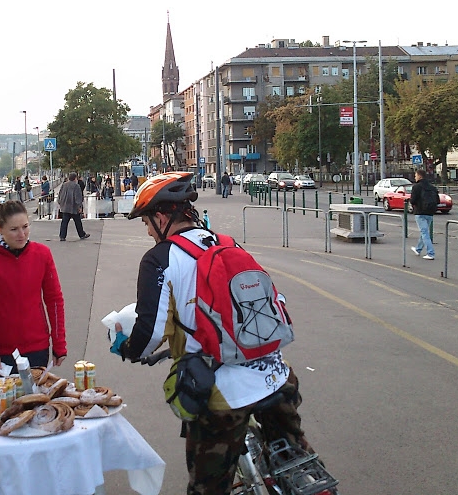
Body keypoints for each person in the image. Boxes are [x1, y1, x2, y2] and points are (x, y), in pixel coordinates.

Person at [110, 172, 312, 495]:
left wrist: (127, 348)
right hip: (277, 378)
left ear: (162, 217)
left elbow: (148, 334)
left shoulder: (159, 259)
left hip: (222, 398)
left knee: (208, 488)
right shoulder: (227, 243)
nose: (148, 231)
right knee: (295, 464)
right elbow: (275, 301)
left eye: (147, 222)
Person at [0, 200, 67, 369]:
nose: (21, 234)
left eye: (25, 227)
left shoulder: (42, 254)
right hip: (1, 350)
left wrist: (59, 343)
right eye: (14, 229)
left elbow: (54, 300)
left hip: (38, 346)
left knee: (36, 395)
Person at [410, 169, 438, 260]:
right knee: (424, 231)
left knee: (424, 232)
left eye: (416, 175)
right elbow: (437, 200)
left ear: (420, 176)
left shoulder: (416, 187)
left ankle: (430, 253)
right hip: (430, 212)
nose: (415, 177)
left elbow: (413, 200)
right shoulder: (432, 187)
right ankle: (418, 249)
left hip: (420, 212)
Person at [57, 171, 89, 241]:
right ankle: (82, 234)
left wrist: (60, 203)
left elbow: (60, 195)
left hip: (65, 207)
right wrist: (79, 207)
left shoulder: (64, 185)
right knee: (78, 222)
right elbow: (78, 197)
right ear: (75, 178)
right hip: (73, 207)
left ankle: (62, 236)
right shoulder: (76, 186)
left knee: (64, 222)